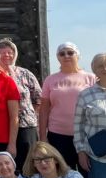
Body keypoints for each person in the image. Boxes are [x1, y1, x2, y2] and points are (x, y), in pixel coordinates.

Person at [39, 42, 96, 170]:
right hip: (58, 135)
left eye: (70, 52)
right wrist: (43, 136)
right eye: (62, 53)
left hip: (86, 134)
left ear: (78, 55)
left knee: (87, 173)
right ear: (58, 57)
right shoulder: (50, 80)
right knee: (63, 174)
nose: (66, 56)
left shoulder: (91, 78)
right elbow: (44, 109)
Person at [0, 38, 42, 168]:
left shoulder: (25, 73)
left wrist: (29, 111)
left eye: (9, 52)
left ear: (14, 54)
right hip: (2, 126)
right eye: (2, 52)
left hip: (25, 125)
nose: (6, 55)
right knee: (6, 162)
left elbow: (38, 97)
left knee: (28, 161)